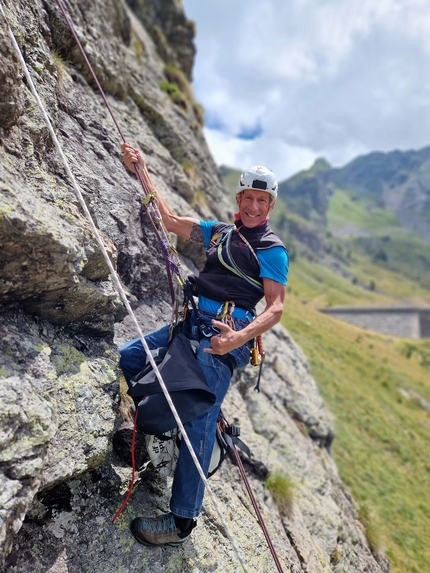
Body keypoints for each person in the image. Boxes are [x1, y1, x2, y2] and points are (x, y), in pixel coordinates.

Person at [118, 143, 289, 547]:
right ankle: (159, 434)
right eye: (247, 197)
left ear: (270, 206)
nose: (252, 205)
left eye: (260, 200)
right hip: (192, 323)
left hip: (223, 338)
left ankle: (182, 521)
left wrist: (237, 340)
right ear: (238, 199)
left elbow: (277, 306)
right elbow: (171, 220)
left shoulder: (271, 248)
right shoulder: (220, 233)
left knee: (200, 421)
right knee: (131, 356)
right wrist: (140, 168)